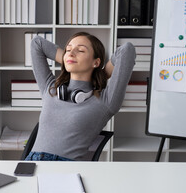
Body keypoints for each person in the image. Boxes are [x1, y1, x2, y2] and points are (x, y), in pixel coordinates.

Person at [25, 32, 136, 161]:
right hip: (30, 164)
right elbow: (37, 43)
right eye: (68, 49)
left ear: (96, 62)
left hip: (66, 169)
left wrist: (99, 74)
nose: (71, 53)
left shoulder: (105, 101)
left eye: (81, 50)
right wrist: (68, 60)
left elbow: (127, 50)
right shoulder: (51, 89)